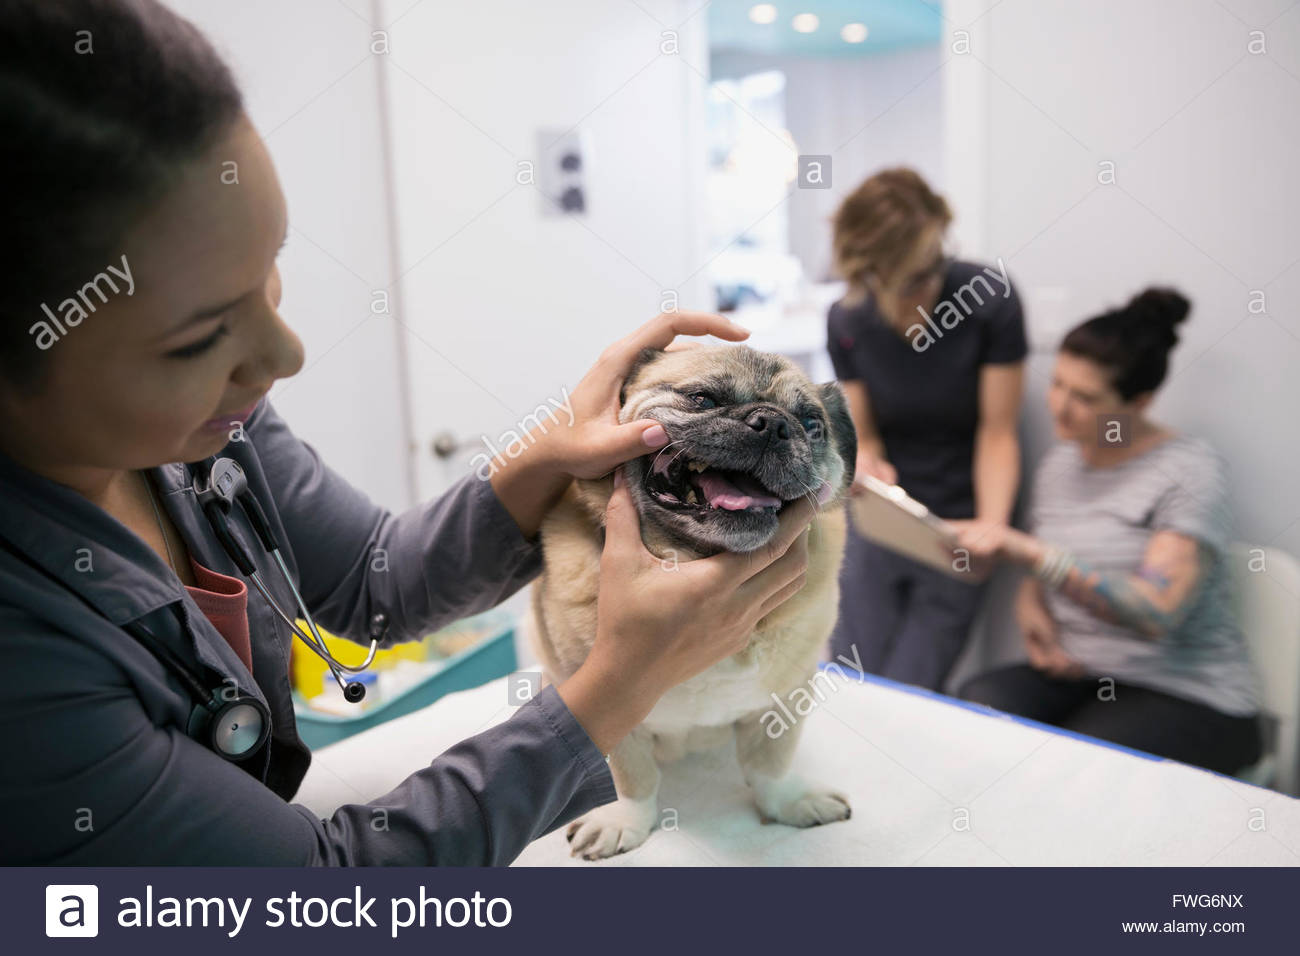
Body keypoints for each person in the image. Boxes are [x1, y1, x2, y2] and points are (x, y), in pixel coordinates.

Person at [0, 0, 822, 864]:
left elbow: (369, 578)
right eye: (202, 337)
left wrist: (549, 458)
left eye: (272, 273)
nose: (285, 356)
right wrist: (616, 688)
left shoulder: (207, 429)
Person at [954, 288, 1264, 776]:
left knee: (1081, 763)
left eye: (1086, 398)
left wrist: (1032, 555)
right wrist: (1031, 610)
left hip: (1187, 693)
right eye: (1057, 384)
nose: (1060, 406)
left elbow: (1156, 612)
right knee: (977, 705)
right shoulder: (1061, 465)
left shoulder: (1189, 470)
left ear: (1141, 400)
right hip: (1080, 676)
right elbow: (1046, 571)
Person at [825, 167, 1027, 690]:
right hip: (880, 521)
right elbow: (864, 434)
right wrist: (864, 460)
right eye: (912, 279)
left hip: (956, 528)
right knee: (848, 678)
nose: (928, 285)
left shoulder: (987, 298)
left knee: (914, 690)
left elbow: (997, 431)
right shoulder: (848, 320)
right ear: (872, 276)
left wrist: (992, 524)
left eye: (933, 266)